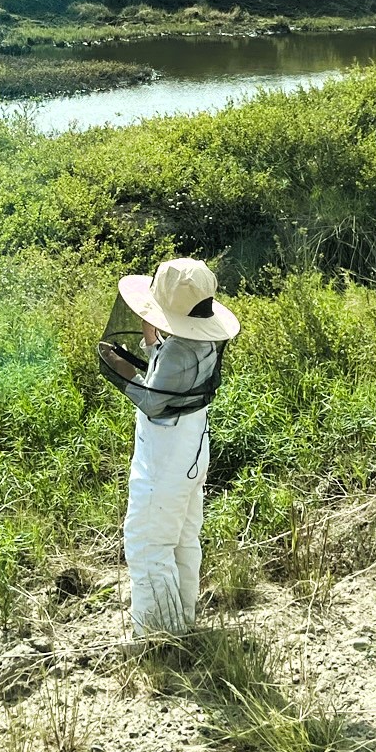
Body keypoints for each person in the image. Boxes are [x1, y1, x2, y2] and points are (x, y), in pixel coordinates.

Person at [97, 257, 240, 644]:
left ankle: (161, 639)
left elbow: (155, 398)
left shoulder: (179, 352)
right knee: (181, 539)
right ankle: (183, 621)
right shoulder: (202, 338)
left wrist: (124, 369)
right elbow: (169, 363)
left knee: (147, 544)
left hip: (165, 461)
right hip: (190, 453)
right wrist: (151, 331)